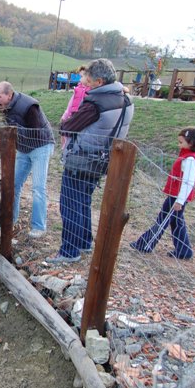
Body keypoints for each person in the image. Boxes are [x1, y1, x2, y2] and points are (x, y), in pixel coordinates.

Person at [46, 58, 134, 264]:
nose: (85, 81)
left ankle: (69, 250)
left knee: (70, 204)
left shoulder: (96, 103)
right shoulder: (126, 100)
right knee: (83, 201)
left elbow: (68, 127)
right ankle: (84, 241)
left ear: (100, 81)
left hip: (82, 159)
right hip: (103, 158)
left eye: (89, 78)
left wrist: (65, 121)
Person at [0, 81, 55, 238]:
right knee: (13, 185)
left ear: (9, 95)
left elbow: (36, 132)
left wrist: (11, 131)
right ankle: (10, 220)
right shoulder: (2, 105)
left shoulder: (29, 106)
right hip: (24, 148)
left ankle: (38, 227)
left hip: (40, 146)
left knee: (38, 188)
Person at [130, 127, 195, 259]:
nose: (179, 145)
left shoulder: (190, 160)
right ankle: (184, 251)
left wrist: (180, 201)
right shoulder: (190, 157)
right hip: (177, 196)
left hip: (177, 197)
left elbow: (188, 182)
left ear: (191, 143)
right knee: (176, 221)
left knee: (162, 220)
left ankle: (145, 244)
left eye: (181, 142)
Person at [60, 66, 90, 149]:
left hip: (82, 118)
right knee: (66, 135)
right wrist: (65, 115)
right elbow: (71, 104)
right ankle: (65, 152)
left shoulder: (91, 90)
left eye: (82, 76)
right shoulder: (78, 88)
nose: (80, 79)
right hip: (73, 116)